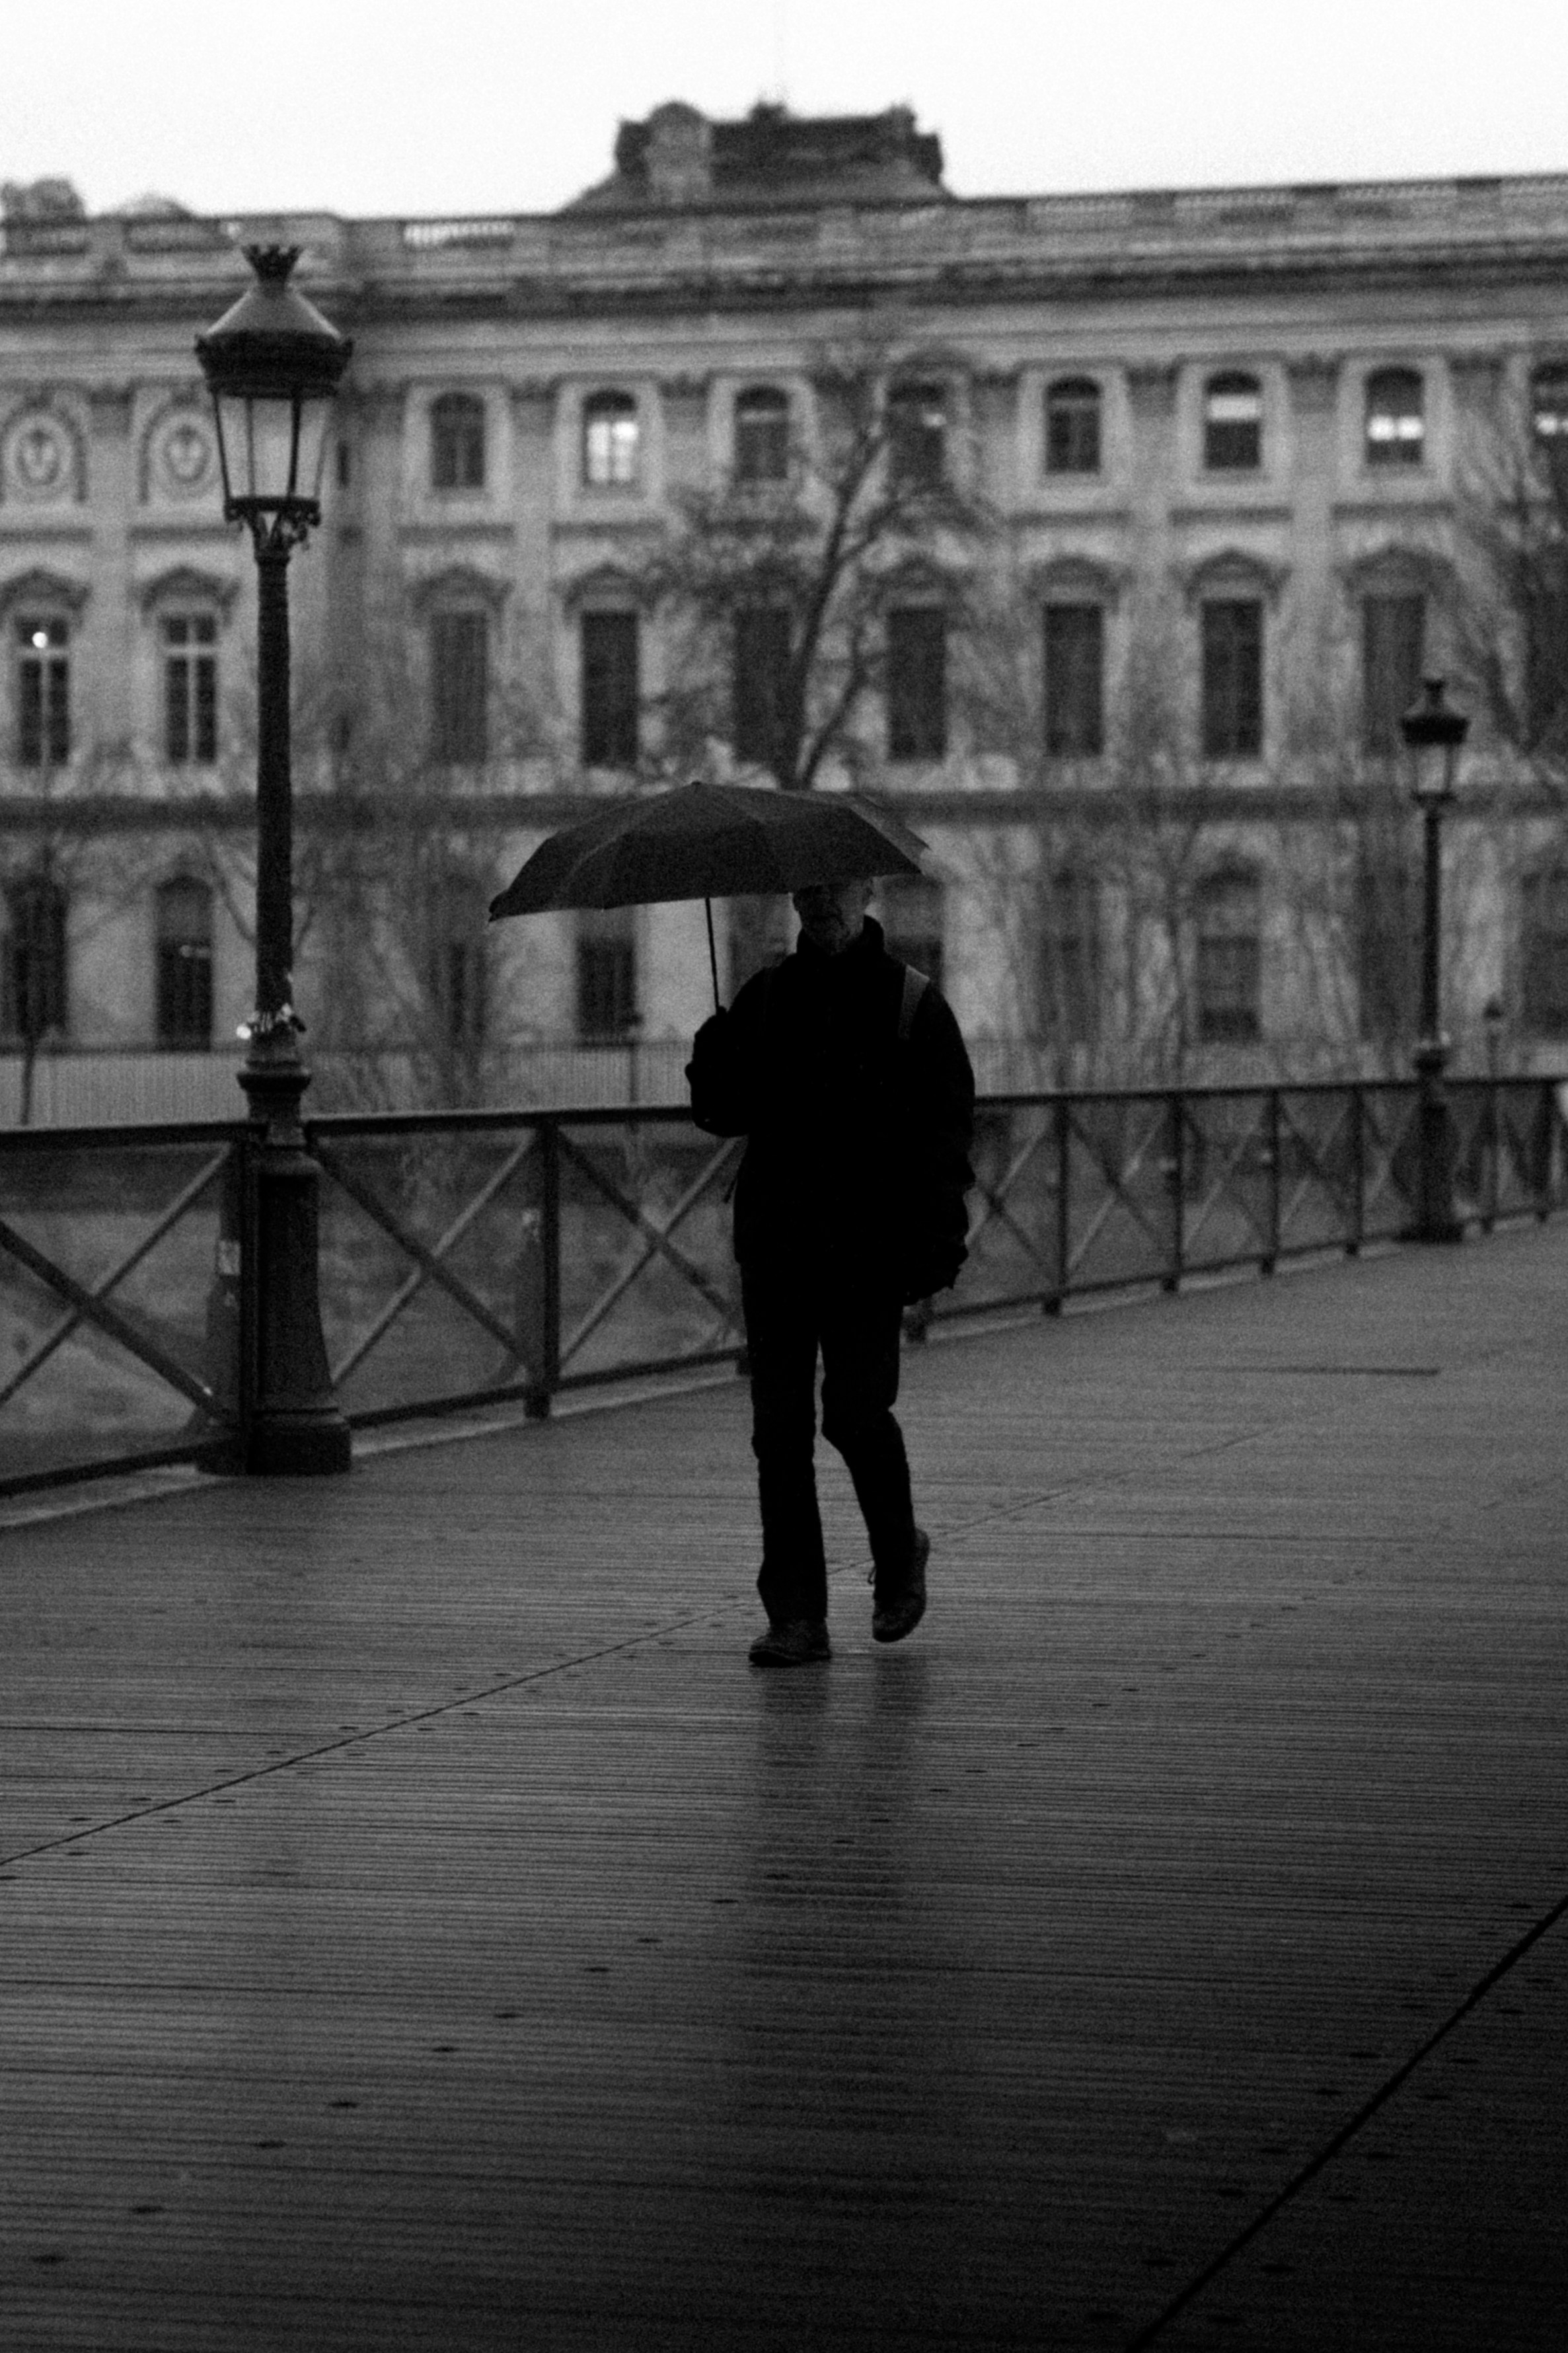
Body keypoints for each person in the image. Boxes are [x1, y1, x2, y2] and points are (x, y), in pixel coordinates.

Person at [687, 876, 975, 1668]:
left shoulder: (913, 1004)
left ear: (869, 891)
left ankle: (898, 1557)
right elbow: (723, 1111)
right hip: (777, 1245)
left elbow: (946, 1136)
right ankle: (796, 1617)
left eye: (836, 890)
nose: (821, 903)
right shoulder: (767, 995)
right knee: (777, 1434)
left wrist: (936, 1241)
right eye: (808, 891)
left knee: (853, 1413)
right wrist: (711, 1060)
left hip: (867, 1249)